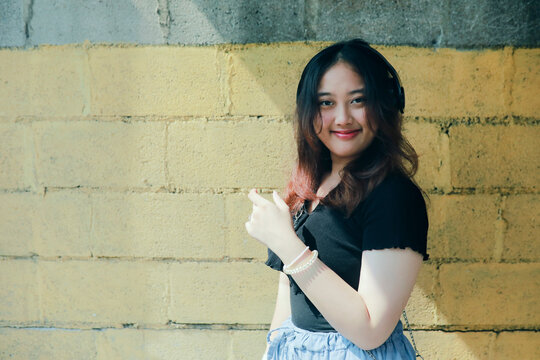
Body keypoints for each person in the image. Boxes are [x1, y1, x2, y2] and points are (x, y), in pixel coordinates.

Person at [245, 38, 429, 360]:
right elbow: (289, 293)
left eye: (357, 100)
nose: (342, 118)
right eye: (326, 103)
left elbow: (370, 330)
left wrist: (287, 243)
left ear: (384, 105)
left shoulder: (393, 197)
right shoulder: (309, 186)